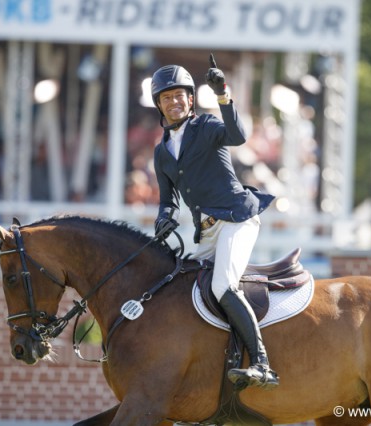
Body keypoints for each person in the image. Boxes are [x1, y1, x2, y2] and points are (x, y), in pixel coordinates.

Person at [150, 56, 278, 389]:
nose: (175, 101)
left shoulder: (206, 126)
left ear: (190, 99)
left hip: (236, 218)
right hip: (205, 232)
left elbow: (237, 136)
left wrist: (223, 95)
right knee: (180, 287)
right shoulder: (161, 152)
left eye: (180, 95)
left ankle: (263, 363)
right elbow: (168, 199)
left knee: (222, 287)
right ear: (159, 105)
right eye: (167, 97)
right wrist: (164, 217)